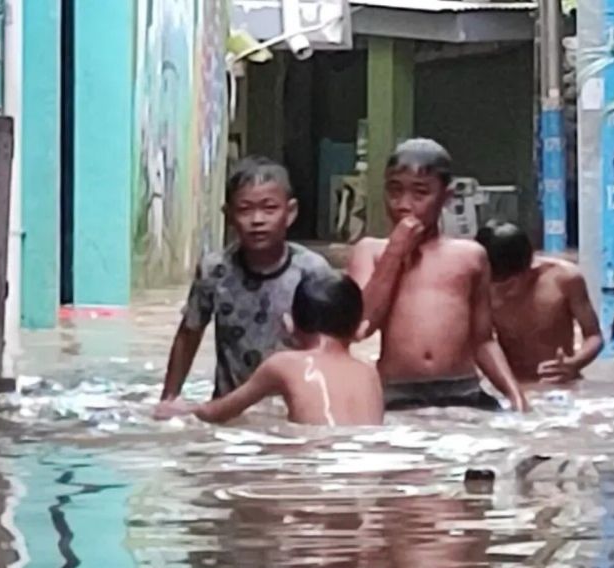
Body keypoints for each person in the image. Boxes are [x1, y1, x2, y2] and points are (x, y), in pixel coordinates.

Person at [346, 138, 528, 412]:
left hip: (462, 388)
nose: (403, 205)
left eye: (420, 193)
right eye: (394, 191)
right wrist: (395, 253)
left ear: (446, 196)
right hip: (397, 390)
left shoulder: (470, 256)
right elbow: (361, 325)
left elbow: (483, 340)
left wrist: (515, 395)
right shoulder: (370, 251)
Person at [155, 156, 334, 417]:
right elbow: (189, 333)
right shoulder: (214, 270)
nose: (257, 220)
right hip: (228, 409)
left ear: (291, 212)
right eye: (245, 209)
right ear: (228, 216)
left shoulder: (312, 271)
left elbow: (331, 347)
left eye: (269, 208)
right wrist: (169, 398)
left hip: (293, 409)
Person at [157, 271, 384, 426]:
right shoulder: (370, 372)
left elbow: (218, 412)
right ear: (359, 329)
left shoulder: (284, 364)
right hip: (366, 466)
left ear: (289, 325)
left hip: (316, 467)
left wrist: (182, 410)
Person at [478, 221, 603, 383]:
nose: (505, 292)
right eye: (495, 284)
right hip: (511, 384)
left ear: (529, 266)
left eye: (509, 284)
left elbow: (594, 336)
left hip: (560, 384)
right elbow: (478, 343)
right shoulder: (477, 285)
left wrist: (573, 364)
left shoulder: (565, 278)